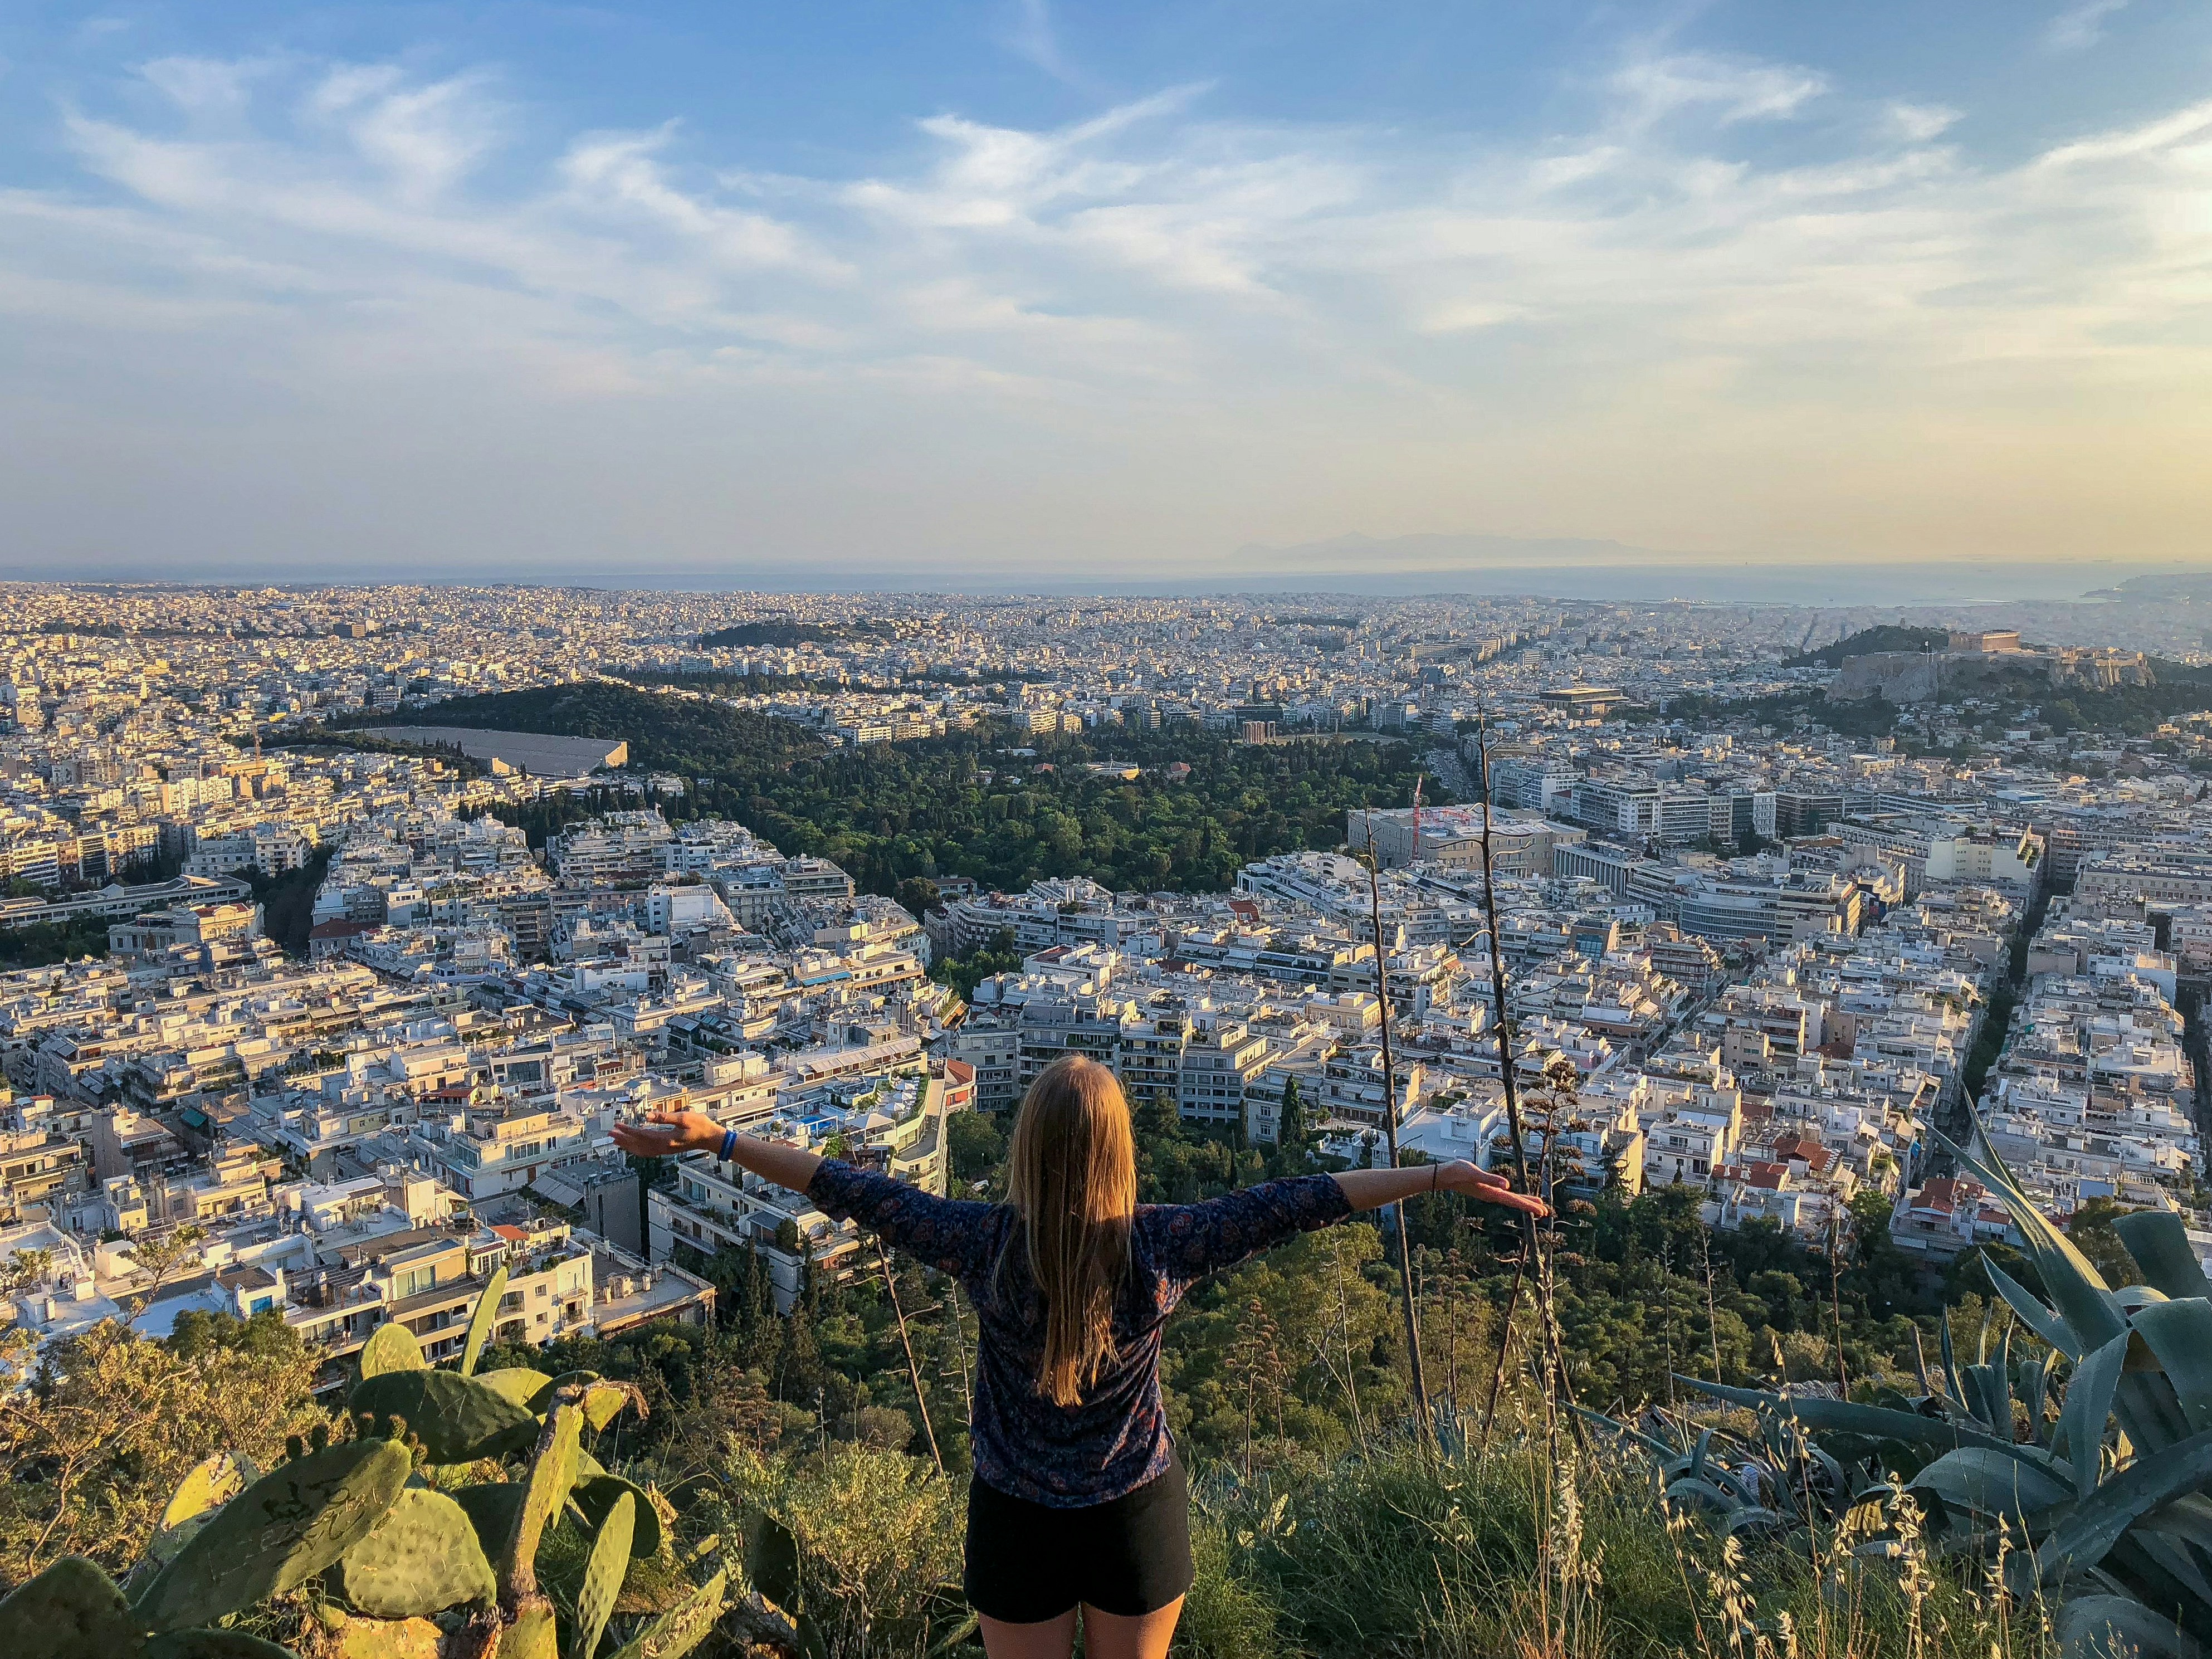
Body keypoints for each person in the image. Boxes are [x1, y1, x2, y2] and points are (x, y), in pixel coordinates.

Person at [612, 1052, 1547, 1659]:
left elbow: (845, 1185)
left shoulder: (981, 1243)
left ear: (1026, 1146)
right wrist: (1435, 1175)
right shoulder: (1165, 1243)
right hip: (1136, 1510)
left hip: (1015, 1513)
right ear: (1120, 1151)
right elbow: (1304, 1197)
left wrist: (720, 1137)